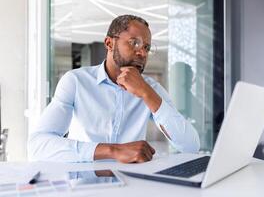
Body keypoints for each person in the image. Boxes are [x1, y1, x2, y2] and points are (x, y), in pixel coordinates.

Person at [28, 15, 200, 163]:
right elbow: (38, 145)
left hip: (133, 186)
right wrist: (113, 150)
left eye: (147, 48)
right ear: (109, 43)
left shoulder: (151, 89)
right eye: (135, 43)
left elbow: (190, 146)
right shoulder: (76, 81)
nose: (142, 53)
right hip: (84, 186)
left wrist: (146, 94)